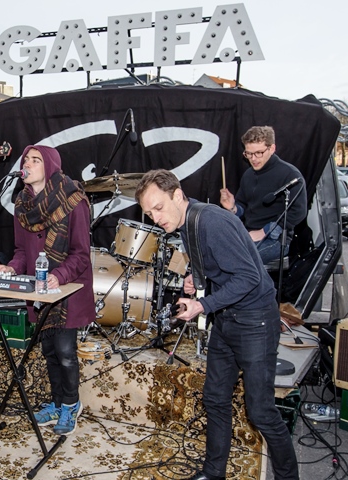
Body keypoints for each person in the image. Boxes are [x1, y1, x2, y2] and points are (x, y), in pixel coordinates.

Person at [135, 169, 299, 480]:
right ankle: (213, 473)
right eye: (148, 213)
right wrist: (194, 278)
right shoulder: (188, 222)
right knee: (215, 398)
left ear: (178, 195)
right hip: (227, 317)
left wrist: (202, 304)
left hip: (254, 320)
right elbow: (217, 265)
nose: (155, 218)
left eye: (158, 207)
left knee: (261, 411)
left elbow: (249, 277)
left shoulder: (212, 221)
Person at [0, 145, 94, 435]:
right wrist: (11, 267)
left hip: (67, 289)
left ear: (49, 166)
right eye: (26, 159)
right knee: (49, 350)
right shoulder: (22, 205)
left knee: (64, 352)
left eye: (35, 160)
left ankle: (72, 405)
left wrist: (57, 276)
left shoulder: (74, 200)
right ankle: (57, 402)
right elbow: (22, 251)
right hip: (39, 291)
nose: (28, 163)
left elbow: (80, 254)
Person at [220, 126, 307, 265]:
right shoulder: (248, 175)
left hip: (276, 240)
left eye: (258, 153)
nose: (253, 159)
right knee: (215, 253)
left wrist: (266, 231)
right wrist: (233, 208)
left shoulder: (290, 174)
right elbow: (243, 206)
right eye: (248, 154)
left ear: (272, 148)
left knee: (237, 262)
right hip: (248, 234)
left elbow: (298, 212)